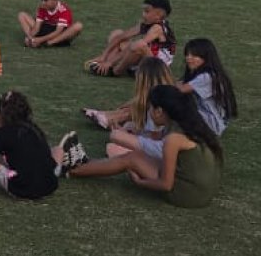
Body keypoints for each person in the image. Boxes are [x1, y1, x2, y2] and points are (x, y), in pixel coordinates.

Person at [58, 85, 224, 209]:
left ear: (159, 111)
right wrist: (128, 132)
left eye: (150, 108)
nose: (149, 112)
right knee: (137, 156)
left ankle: (75, 169)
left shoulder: (174, 138)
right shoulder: (189, 123)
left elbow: (166, 184)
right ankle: (84, 164)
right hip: (201, 190)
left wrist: (141, 182)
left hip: (188, 195)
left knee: (131, 159)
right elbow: (157, 140)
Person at [82, 57, 176, 158]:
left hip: (161, 152)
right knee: (126, 128)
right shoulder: (168, 96)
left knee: (113, 146)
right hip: (162, 146)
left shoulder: (156, 107)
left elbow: (154, 141)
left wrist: (127, 136)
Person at [0, 91, 59, 200]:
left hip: (23, 189)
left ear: (0, 116)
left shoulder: (4, 132)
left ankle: (11, 179)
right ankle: (59, 169)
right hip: (50, 185)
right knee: (58, 150)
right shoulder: (34, 128)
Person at [84, 0, 176, 76]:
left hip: (157, 68)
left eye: (147, 12)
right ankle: (104, 63)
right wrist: (103, 55)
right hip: (146, 60)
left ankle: (115, 71)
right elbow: (121, 37)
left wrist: (110, 62)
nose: (143, 14)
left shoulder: (158, 28)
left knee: (139, 45)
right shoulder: (146, 23)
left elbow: (139, 46)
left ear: (158, 16)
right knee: (117, 33)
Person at [177, 38, 237, 136]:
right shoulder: (204, 74)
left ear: (206, 57)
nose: (188, 58)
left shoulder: (207, 77)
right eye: (187, 54)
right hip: (210, 120)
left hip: (212, 123)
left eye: (194, 55)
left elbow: (180, 89)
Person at [17, 0, 83, 48]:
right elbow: (37, 28)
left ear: (55, 0)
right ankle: (32, 40)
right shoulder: (42, 8)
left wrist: (40, 39)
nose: (43, 2)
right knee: (22, 15)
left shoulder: (63, 10)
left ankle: (49, 43)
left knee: (78, 26)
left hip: (58, 35)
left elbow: (58, 31)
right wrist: (30, 38)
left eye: (45, 0)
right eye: (42, 0)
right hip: (45, 30)